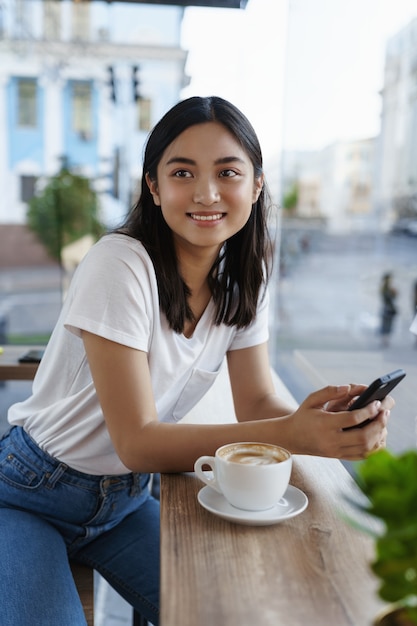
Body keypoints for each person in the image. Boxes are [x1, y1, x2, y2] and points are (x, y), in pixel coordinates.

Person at [0, 96, 392, 626]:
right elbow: (137, 441)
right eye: (182, 171)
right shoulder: (120, 265)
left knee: (230, 616)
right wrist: (295, 436)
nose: (207, 193)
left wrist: (320, 422)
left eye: (228, 171)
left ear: (255, 185)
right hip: (30, 495)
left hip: (124, 502)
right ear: (154, 187)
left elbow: (256, 400)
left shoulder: (241, 281)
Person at [379, 272, 398, 347]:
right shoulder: (385, 288)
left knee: (388, 324)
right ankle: (384, 340)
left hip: (387, 308)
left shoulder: (387, 288)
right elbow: (388, 298)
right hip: (387, 308)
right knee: (386, 324)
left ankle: (385, 339)